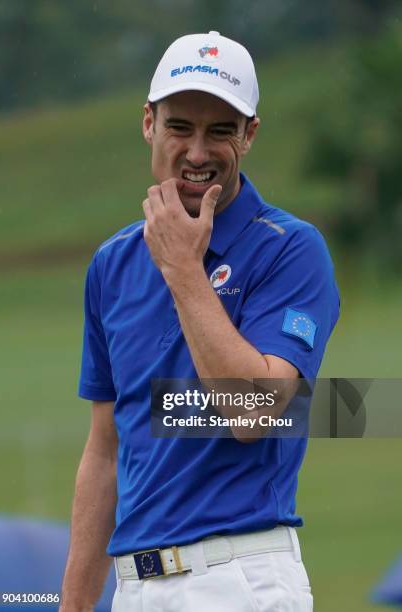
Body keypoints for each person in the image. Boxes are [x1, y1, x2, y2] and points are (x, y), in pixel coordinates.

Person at [60, 31, 340, 612]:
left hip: (239, 578)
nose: (197, 152)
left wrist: (183, 269)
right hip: (133, 586)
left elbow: (254, 413)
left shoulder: (291, 250)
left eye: (220, 131)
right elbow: (105, 449)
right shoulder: (112, 265)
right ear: (148, 124)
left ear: (250, 134)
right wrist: (75, 603)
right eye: (180, 126)